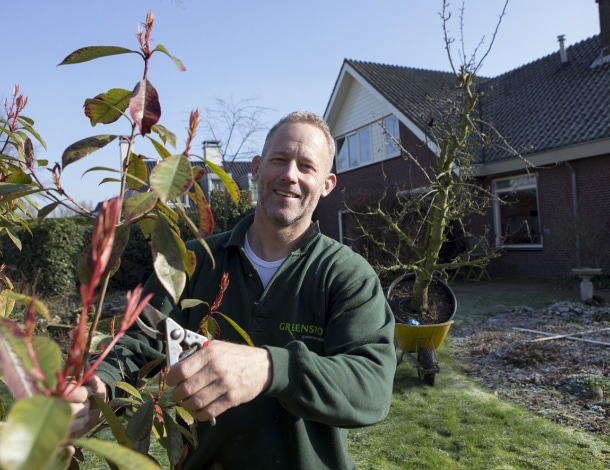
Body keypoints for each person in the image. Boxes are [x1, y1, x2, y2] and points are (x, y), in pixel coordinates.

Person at [72, 111, 396, 469]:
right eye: (279, 159)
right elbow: (138, 342)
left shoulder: (348, 275)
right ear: (256, 168)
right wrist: (99, 389)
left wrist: (272, 368)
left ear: (326, 184)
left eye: (306, 166)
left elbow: (372, 388)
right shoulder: (193, 261)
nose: (290, 175)